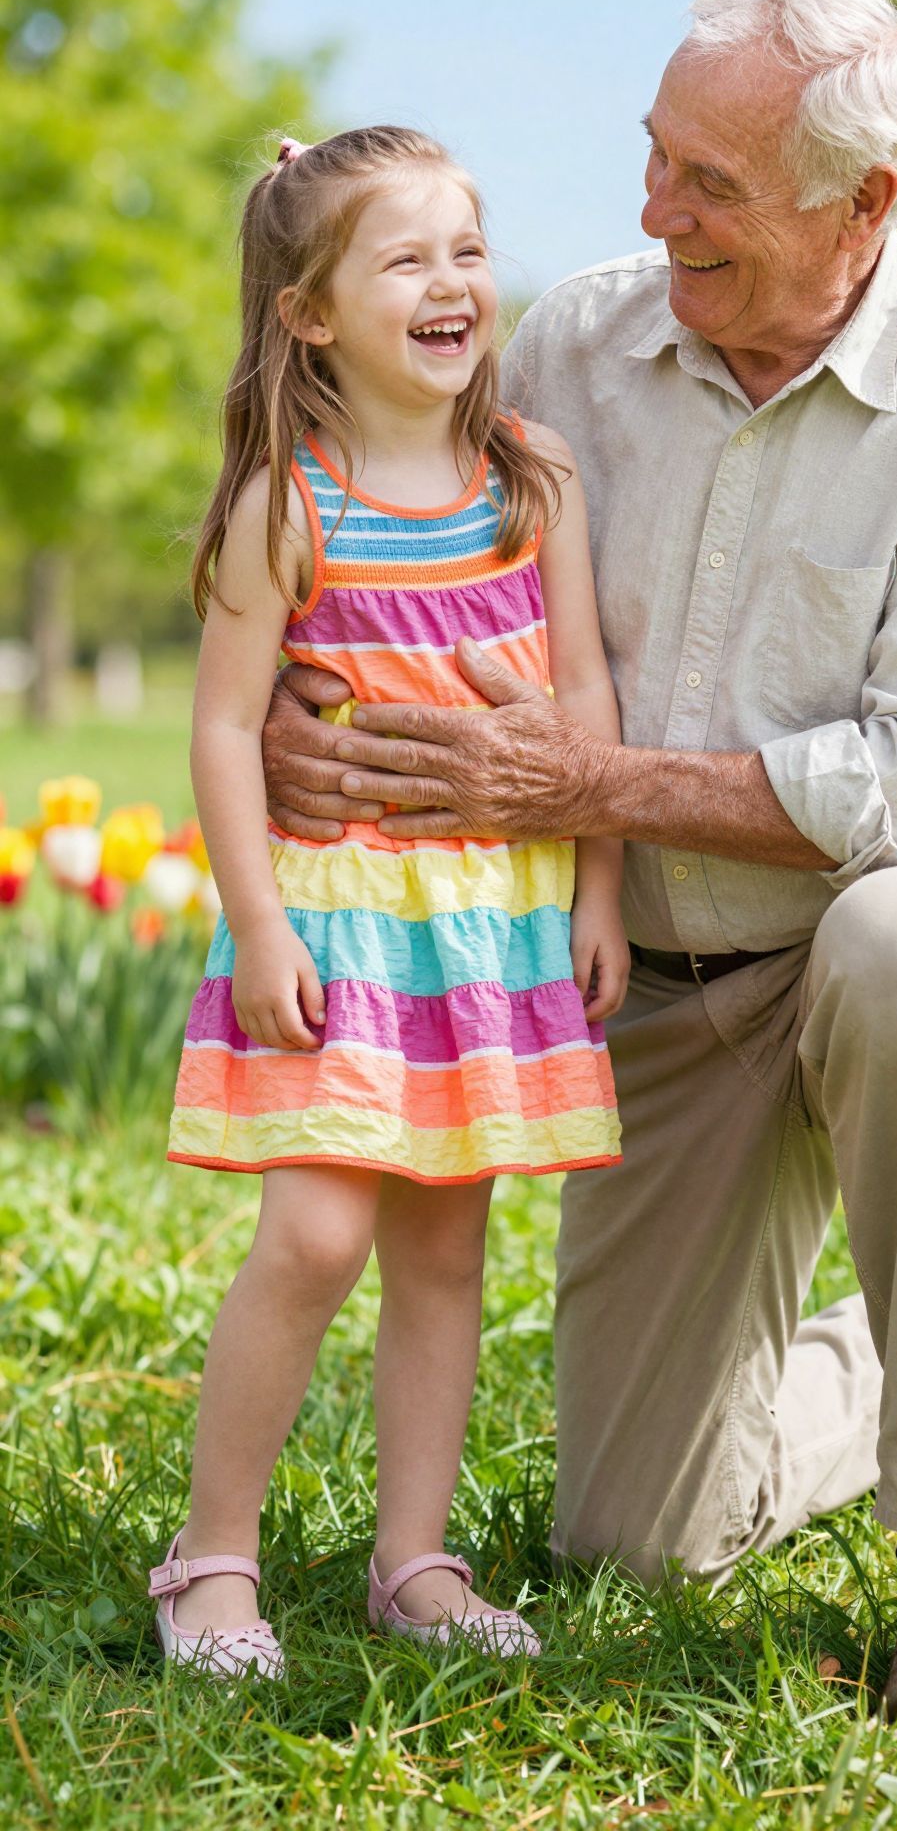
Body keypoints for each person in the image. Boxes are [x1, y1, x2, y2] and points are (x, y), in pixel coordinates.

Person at [259, 0, 897, 1725]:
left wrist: (583, 787)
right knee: (632, 1540)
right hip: (669, 987)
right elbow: (375, 516)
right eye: (655, 155)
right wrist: (289, 710)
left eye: (710, 184)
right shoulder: (575, 343)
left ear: (864, 200)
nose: (655, 212)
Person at [153, 126, 626, 1679]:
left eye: (467, 250)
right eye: (406, 258)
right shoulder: (286, 505)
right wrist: (260, 924)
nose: (452, 284)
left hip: (485, 928)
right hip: (340, 921)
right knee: (311, 1235)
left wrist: (600, 887)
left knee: (443, 1252)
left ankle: (413, 1562)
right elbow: (224, 728)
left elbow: (581, 698)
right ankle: (211, 1561)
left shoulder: (532, 478)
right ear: (309, 315)